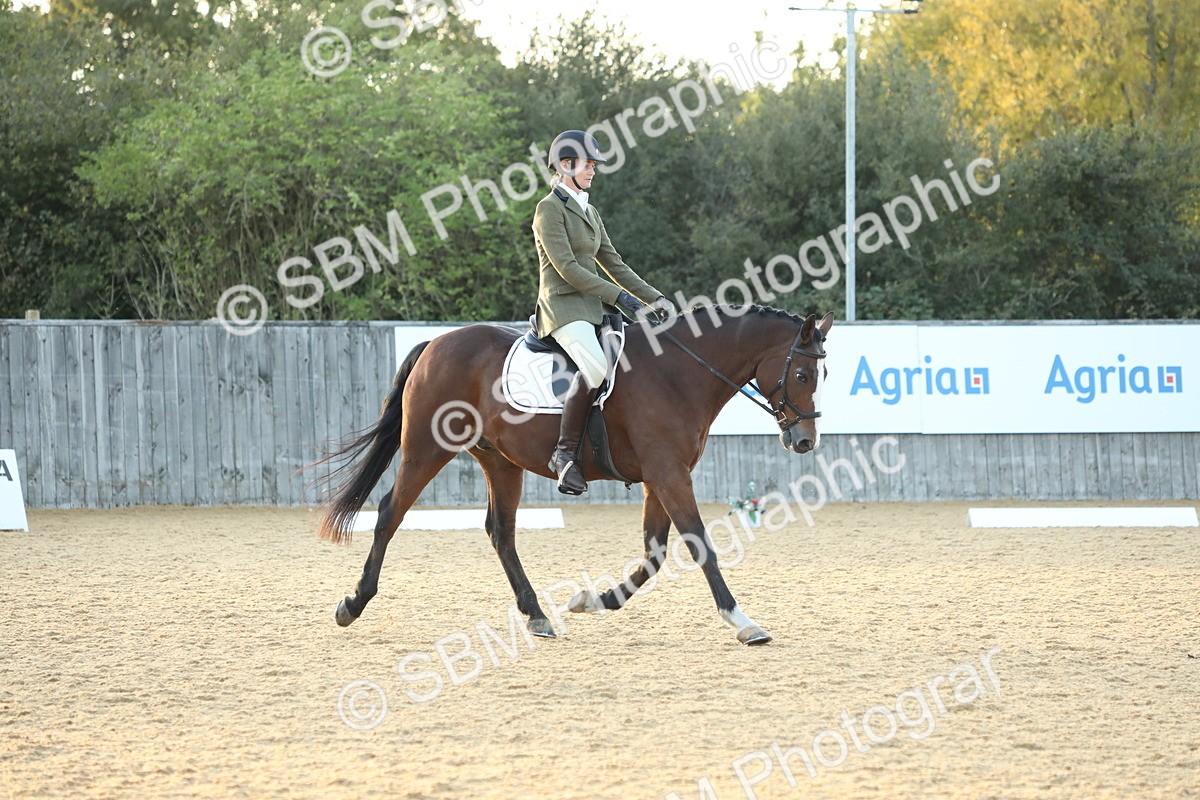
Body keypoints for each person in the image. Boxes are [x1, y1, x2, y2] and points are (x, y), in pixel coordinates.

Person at [532, 129, 676, 495]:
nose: (593, 171)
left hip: (592, 307)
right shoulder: (548, 210)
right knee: (595, 366)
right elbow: (566, 268)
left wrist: (654, 298)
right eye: (587, 164)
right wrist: (619, 298)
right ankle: (564, 456)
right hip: (562, 306)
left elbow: (614, 263)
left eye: (594, 164)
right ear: (566, 166)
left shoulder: (589, 211)